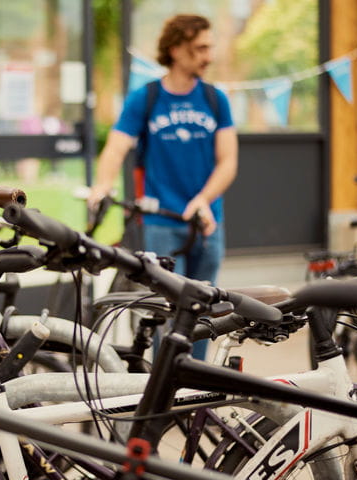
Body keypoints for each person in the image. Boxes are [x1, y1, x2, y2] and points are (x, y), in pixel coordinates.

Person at [88, 14, 238, 361]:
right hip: (160, 225)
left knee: (202, 313)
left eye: (209, 47)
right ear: (175, 49)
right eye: (200, 48)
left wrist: (203, 199)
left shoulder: (216, 99)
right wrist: (102, 186)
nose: (208, 56)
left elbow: (228, 161)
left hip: (206, 222)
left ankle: (193, 389)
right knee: (168, 312)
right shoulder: (147, 98)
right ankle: (164, 392)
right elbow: (116, 146)